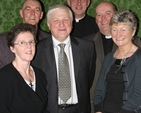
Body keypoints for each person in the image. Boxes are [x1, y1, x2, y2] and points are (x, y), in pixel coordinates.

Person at [32, 4, 96, 113]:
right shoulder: (36, 50)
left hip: (79, 109)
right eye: (56, 20)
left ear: (71, 23)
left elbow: (88, 79)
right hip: (49, 110)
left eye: (65, 19)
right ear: (48, 24)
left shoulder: (87, 47)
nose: (61, 24)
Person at [84, 2, 141, 113]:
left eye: (123, 30)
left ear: (133, 31)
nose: (118, 35)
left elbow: (139, 94)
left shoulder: (139, 57)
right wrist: (98, 109)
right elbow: (99, 88)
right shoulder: (110, 57)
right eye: (114, 30)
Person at [0, 23, 48, 113]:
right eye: (22, 43)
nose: (29, 46)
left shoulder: (40, 74)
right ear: (12, 48)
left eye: (31, 42)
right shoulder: (4, 77)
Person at [0, 0, 50, 69]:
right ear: (21, 13)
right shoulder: (2, 40)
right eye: (28, 9)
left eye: (37, 10)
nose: (32, 13)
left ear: (41, 15)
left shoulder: (49, 39)